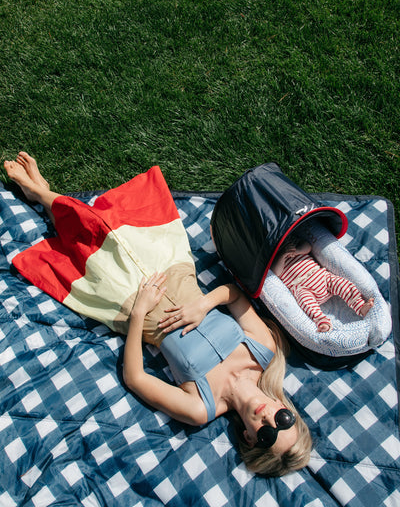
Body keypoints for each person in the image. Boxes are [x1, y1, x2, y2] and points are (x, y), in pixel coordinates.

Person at [4, 152, 312, 477]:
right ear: (286, 410)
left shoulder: (201, 408)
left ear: (249, 439)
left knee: (92, 249)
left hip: (132, 303)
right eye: (282, 422)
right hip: (174, 271)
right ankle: (41, 194)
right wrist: (203, 305)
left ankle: (41, 194)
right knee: (114, 230)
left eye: (266, 435)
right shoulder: (264, 352)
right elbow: (234, 296)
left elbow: (135, 378)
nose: (268, 421)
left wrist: (138, 313)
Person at [271, 234, 374, 332]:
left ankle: (360, 306)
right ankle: (322, 322)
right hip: (301, 287)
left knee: (342, 284)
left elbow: (308, 247)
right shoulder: (274, 256)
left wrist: (298, 251)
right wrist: (282, 255)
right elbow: (275, 272)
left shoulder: (292, 242)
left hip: (320, 276)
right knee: (306, 303)